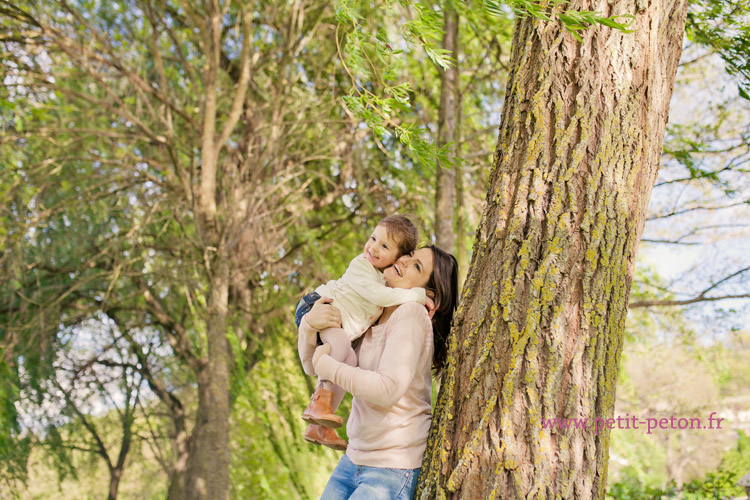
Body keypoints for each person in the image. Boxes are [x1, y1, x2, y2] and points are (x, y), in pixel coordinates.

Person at [298, 245, 458, 499]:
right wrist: (308, 325)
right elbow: (311, 366)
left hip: (391, 469)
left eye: (417, 266)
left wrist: (330, 367)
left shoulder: (411, 314)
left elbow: (387, 389)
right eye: (410, 255)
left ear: (426, 293)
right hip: (354, 459)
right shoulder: (371, 312)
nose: (404, 261)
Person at [294, 216, 429, 450]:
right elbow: (379, 297)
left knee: (351, 360)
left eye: (384, 246)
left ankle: (319, 425)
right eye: (373, 238)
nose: (373, 247)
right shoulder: (362, 265)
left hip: (337, 324)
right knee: (340, 346)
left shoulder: (384, 281)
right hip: (320, 306)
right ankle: (318, 403)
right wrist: (417, 294)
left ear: (397, 258)